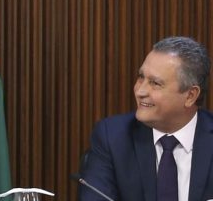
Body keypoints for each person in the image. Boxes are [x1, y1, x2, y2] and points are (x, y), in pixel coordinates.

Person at [80, 36, 213, 201]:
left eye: (155, 83)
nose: (140, 91)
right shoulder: (112, 138)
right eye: (141, 77)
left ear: (190, 96)